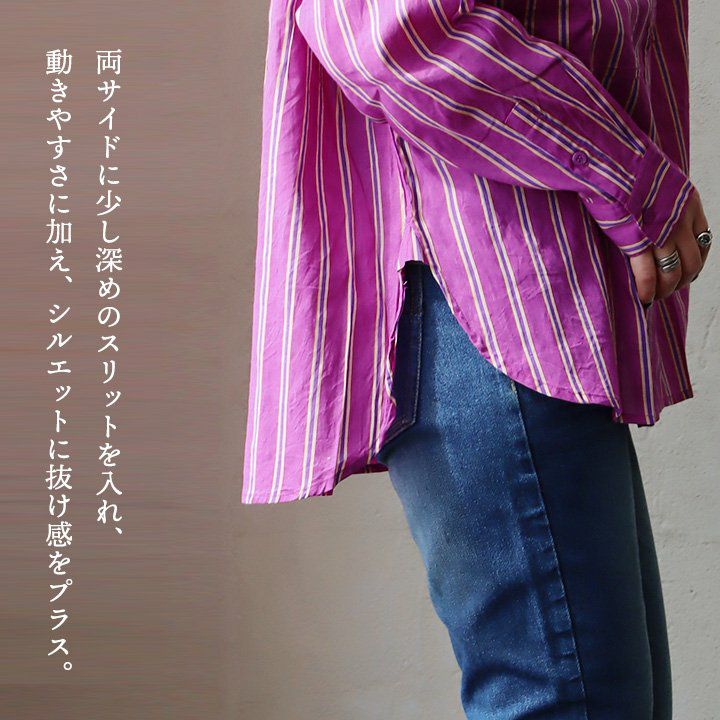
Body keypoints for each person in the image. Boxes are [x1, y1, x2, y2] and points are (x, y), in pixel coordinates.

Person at [242, 1, 712, 717]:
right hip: (484, 294)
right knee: (572, 698)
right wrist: (626, 172)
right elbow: (397, 31)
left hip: (525, 296)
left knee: (606, 698)